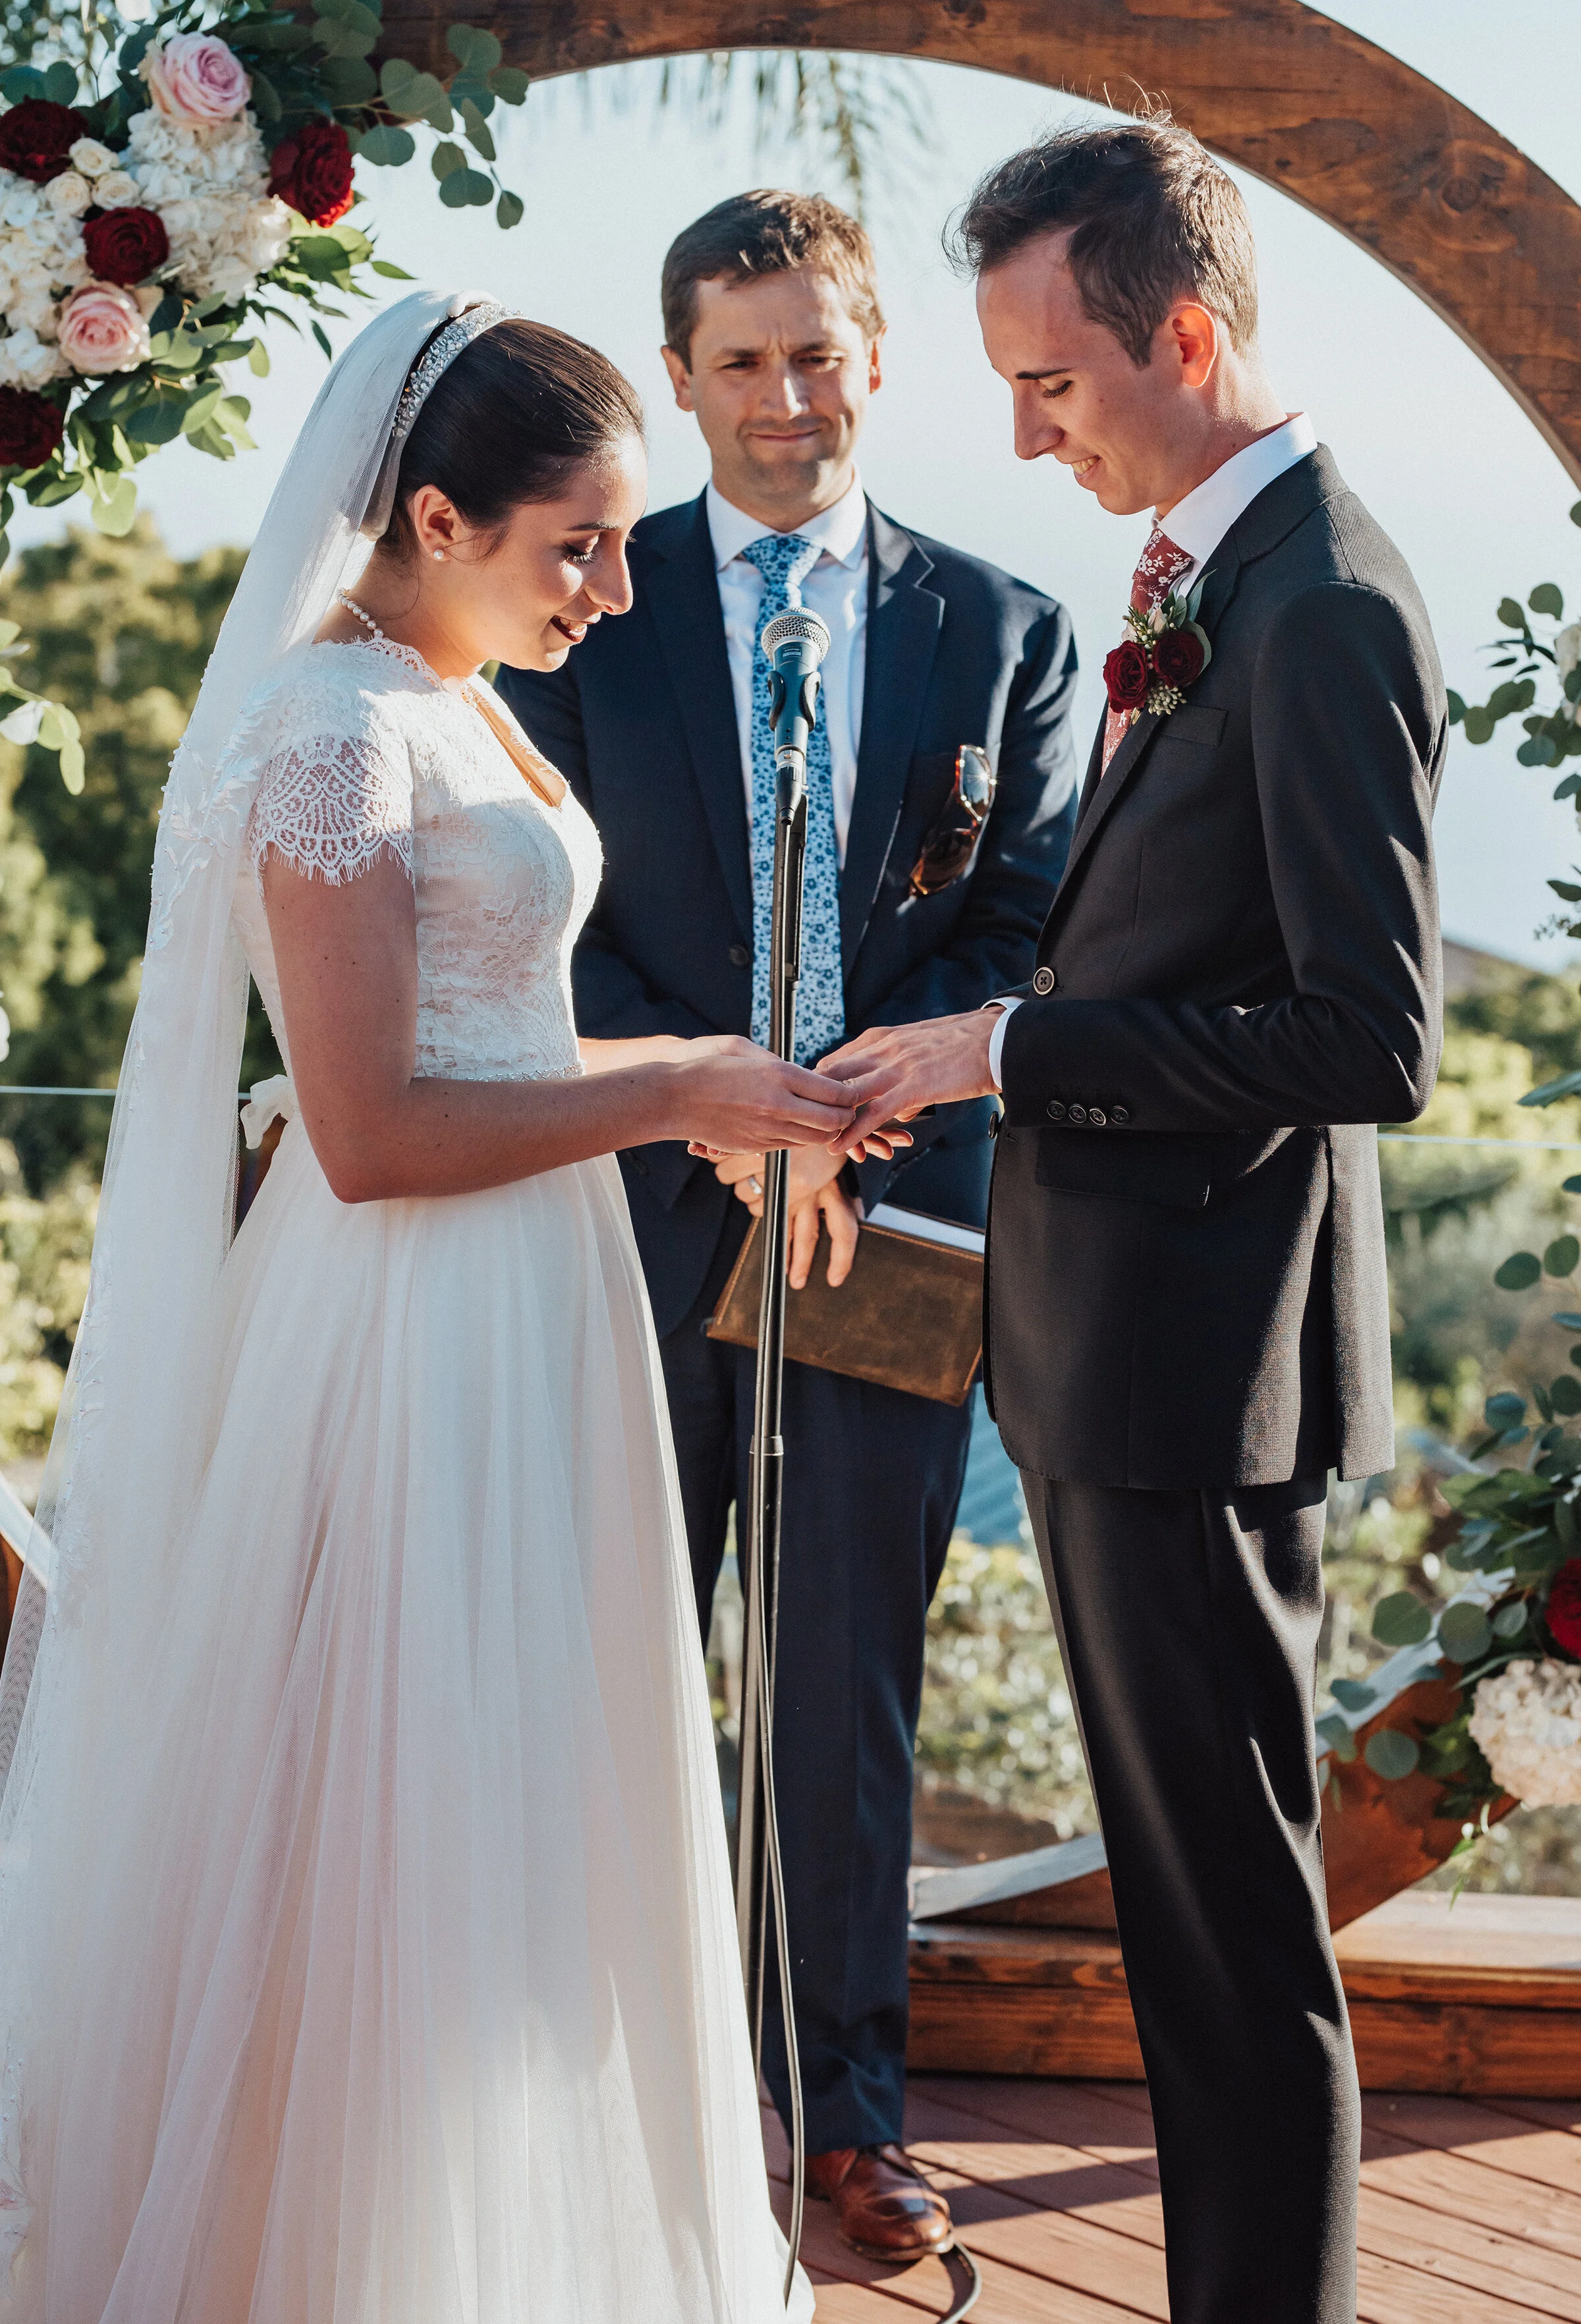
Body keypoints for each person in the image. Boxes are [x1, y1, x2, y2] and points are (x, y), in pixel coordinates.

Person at [0, 290, 865, 2321]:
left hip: (533, 1301)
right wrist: (681, 1086)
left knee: (507, 1793)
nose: (622, 587)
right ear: (441, 512)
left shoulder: (459, 694)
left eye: (626, 538)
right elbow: (373, 1127)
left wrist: (693, 1101)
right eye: (581, 542)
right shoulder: (327, 729)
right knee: (370, 1793)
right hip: (398, 1324)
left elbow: (496, 1026)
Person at [823, 121, 1445, 2324]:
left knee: (1228, 1930)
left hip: (1203, 1363)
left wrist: (1009, 1051)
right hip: (1120, 1351)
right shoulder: (1225, 576)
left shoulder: (1326, 600)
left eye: (1053, 383)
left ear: (1184, 334)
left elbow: (1367, 1041)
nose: (1021, 432)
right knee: (1187, 1926)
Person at [501, 189, 1078, 2265]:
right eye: (737, 361)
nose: (781, 397)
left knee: (846, 1678)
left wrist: (847, 1121)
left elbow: (1020, 920)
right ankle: (588, 2097)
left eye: (816, 351)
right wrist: (718, 1113)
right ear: (676, 379)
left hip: (892, 1223)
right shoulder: (590, 606)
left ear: (877, 357)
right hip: (633, 1217)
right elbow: (542, 911)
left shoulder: (1004, 634)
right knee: (615, 1658)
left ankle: (848, 2119)